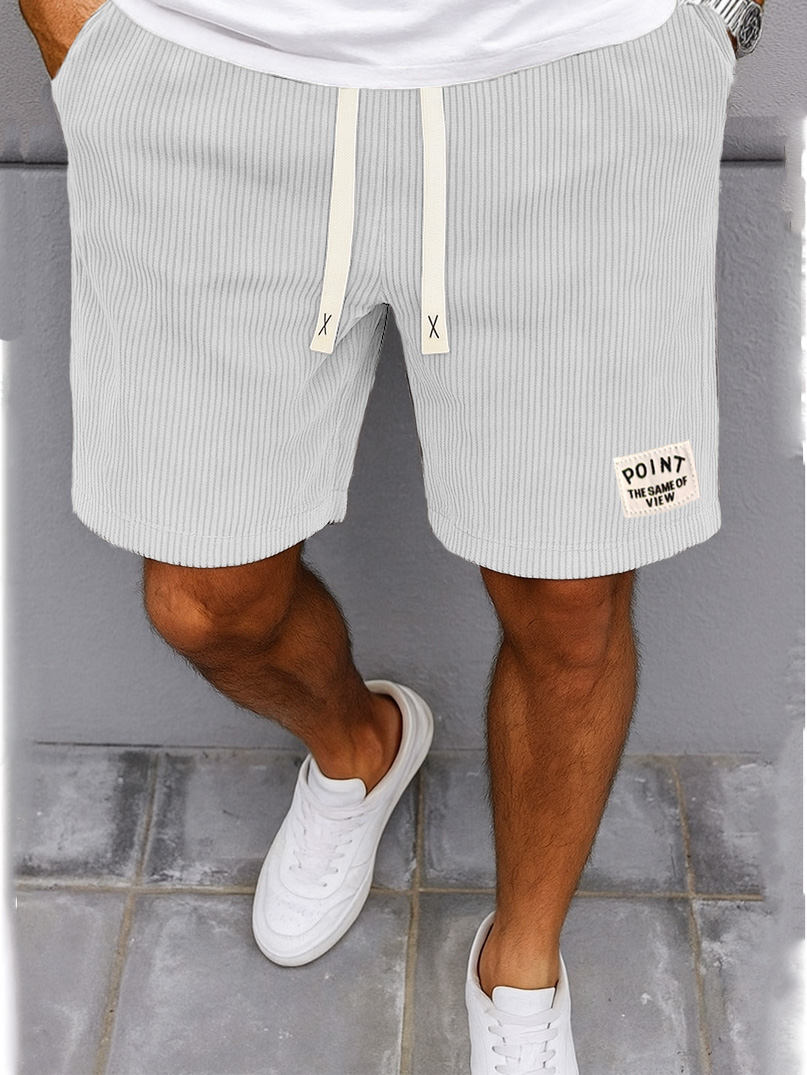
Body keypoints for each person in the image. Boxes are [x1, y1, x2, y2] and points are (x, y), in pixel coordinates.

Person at [17, 0, 761, 1067]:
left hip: (576, 74)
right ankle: (358, 747)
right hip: (211, 71)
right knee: (206, 602)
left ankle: (522, 965)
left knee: (573, 603)